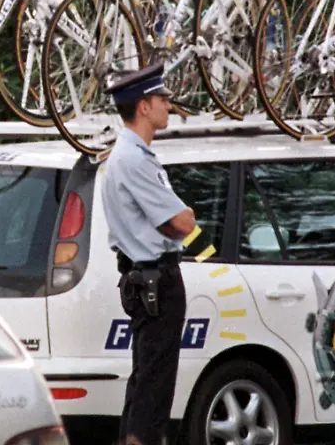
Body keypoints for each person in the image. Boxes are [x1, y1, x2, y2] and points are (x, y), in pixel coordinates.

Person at [101, 64, 198, 445]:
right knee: (154, 388)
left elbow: (170, 224)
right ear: (143, 106)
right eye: (162, 99)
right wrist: (180, 218)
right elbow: (182, 222)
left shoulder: (127, 155)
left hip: (145, 278)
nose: (168, 106)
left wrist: (173, 222)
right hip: (156, 280)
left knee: (145, 380)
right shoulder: (134, 159)